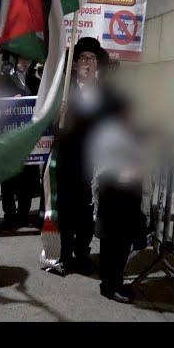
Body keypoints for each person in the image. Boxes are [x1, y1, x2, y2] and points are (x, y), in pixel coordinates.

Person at [53, 37, 107, 276]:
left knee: (87, 212)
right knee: (65, 210)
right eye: (83, 58)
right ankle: (64, 255)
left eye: (91, 59)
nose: (87, 62)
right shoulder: (63, 91)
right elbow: (49, 125)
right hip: (67, 160)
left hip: (93, 163)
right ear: (74, 65)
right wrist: (59, 116)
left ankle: (82, 253)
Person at [86, 94, 145, 304]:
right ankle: (109, 286)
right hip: (113, 197)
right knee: (113, 244)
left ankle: (116, 281)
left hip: (127, 197)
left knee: (123, 244)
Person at [0, 54, 41, 228]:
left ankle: (23, 213)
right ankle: (9, 214)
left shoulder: (36, 82)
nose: (25, 62)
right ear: (15, 60)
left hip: (28, 139)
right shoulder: (4, 81)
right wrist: (8, 103)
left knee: (28, 177)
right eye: (22, 59)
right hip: (9, 137)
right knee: (8, 178)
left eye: (28, 59)